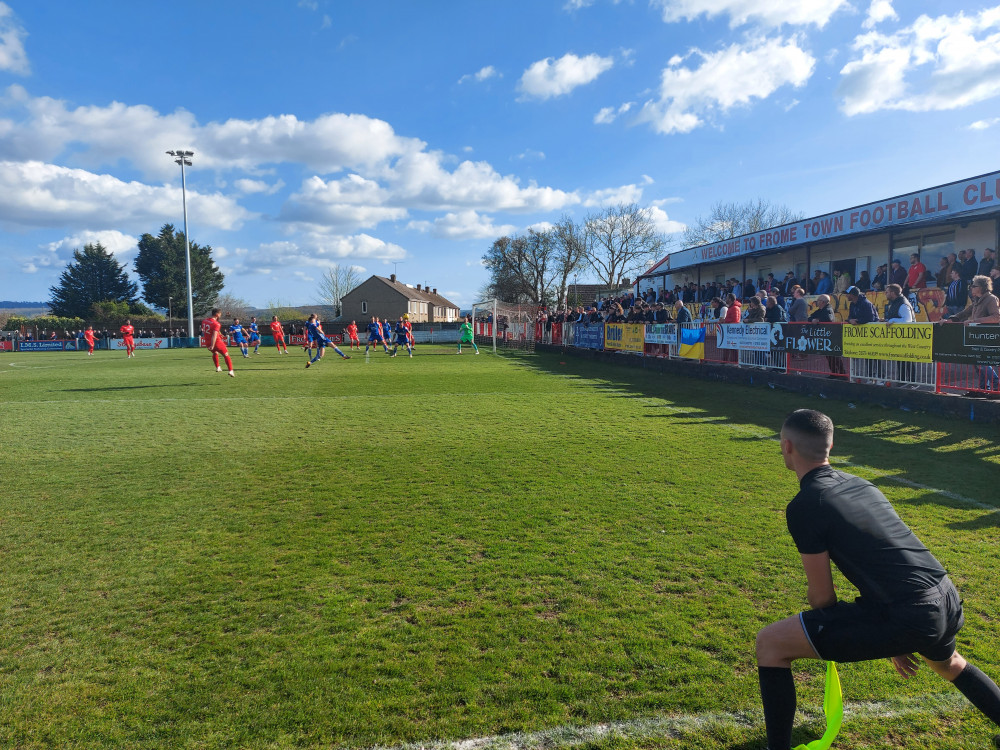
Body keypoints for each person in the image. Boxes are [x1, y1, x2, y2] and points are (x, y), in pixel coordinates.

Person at [756, 409, 1000, 750]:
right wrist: (890, 634)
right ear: (831, 445)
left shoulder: (806, 504)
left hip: (911, 613)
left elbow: (823, 598)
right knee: (951, 665)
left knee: (771, 644)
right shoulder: (860, 483)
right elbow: (887, 561)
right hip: (944, 596)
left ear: (786, 446)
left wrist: (891, 633)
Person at [945, 275, 1000, 397]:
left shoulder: (991, 299)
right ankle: (983, 388)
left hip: (986, 336)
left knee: (982, 362)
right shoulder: (976, 300)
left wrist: (975, 321)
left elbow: (996, 317)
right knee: (977, 362)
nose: (971, 288)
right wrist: (950, 319)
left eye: (974, 286)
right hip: (976, 337)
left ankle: (996, 385)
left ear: (982, 287)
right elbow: (964, 313)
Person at [807, 295, 845, 377]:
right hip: (826, 336)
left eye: (819, 300)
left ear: (822, 302)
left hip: (831, 336)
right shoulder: (820, 310)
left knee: (835, 356)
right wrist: (813, 320)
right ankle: (834, 373)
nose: (817, 301)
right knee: (829, 356)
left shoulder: (828, 309)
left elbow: (829, 319)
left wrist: (818, 320)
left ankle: (842, 373)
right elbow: (810, 317)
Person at [201, 308, 235, 377]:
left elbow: (209, 330)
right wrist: (213, 345)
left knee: (215, 352)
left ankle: (218, 367)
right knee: (226, 354)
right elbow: (214, 335)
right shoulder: (216, 324)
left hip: (207, 342)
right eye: (220, 314)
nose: (220, 315)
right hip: (216, 342)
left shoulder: (204, 321)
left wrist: (219, 334)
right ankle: (231, 371)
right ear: (217, 314)